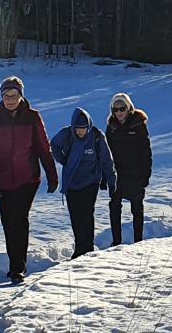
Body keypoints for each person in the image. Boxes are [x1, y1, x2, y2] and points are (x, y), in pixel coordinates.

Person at [0, 75, 57, 284]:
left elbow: (44, 147)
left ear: (20, 95)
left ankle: (18, 267)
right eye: (6, 95)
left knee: (20, 218)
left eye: (13, 95)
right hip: (3, 180)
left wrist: (52, 175)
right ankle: (14, 263)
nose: (10, 99)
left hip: (28, 178)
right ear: (1, 96)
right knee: (8, 221)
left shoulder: (32, 117)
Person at [50, 107, 116, 258]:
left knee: (87, 213)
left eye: (83, 128)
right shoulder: (67, 134)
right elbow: (53, 145)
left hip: (91, 181)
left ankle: (88, 246)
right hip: (72, 182)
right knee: (75, 216)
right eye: (78, 129)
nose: (81, 132)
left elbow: (107, 161)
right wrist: (63, 159)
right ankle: (80, 246)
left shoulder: (97, 136)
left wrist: (112, 181)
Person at [103, 93, 152, 244]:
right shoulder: (111, 127)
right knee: (114, 206)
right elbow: (106, 153)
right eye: (115, 109)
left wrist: (146, 174)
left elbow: (146, 151)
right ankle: (116, 241)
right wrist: (105, 176)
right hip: (117, 174)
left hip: (135, 173)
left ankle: (138, 241)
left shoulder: (138, 125)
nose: (119, 113)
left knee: (137, 207)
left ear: (129, 108)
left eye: (122, 108)